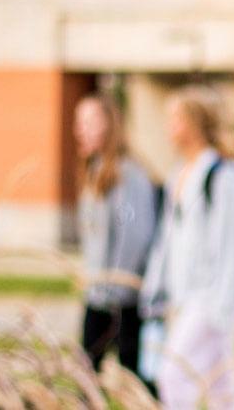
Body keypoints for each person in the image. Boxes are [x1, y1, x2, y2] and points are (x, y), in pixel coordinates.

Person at [141, 88, 234, 409]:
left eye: (175, 118)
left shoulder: (224, 177)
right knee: (223, 389)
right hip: (185, 297)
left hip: (209, 301)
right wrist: (155, 290)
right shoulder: (177, 175)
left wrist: (220, 308)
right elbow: (166, 242)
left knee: (173, 377)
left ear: (194, 124)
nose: (168, 126)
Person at [72, 94, 160, 381]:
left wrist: (116, 292)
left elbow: (134, 235)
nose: (79, 130)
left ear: (110, 125)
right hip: (98, 296)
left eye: (89, 122)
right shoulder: (97, 170)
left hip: (121, 301)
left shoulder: (128, 175)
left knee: (133, 382)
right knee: (87, 379)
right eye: (78, 122)